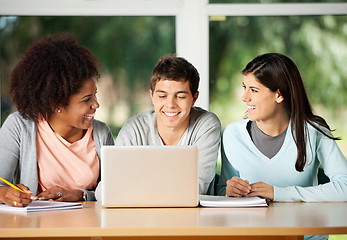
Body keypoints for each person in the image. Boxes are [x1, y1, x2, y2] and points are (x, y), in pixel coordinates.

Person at [0, 33, 114, 207]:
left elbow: (114, 190)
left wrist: (81, 195)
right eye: (86, 99)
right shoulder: (19, 126)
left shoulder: (101, 133)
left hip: (89, 229)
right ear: (56, 104)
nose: (96, 105)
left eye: (95, 95)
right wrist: (5, 193)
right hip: (36, 229)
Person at [217, 53, 347, 202]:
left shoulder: (314, 131)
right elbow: (221, 190)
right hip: (250, 225)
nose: (244, 97)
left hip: (301, 224)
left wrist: (279, 193)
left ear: (278, 95)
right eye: (244, 87)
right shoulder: (233, 134)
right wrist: (229, 191)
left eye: (253, 90)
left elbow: (345, 186)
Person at [96, 56, 221, 199]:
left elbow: (197, 189)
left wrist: (136, 185)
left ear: (194, 98)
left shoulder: (206, 125)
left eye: (180, 97)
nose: (170, 104)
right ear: (152, 96)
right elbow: (105, 191)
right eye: (162, 96)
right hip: (141, 219)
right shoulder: (134, 129)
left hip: (192, 217)